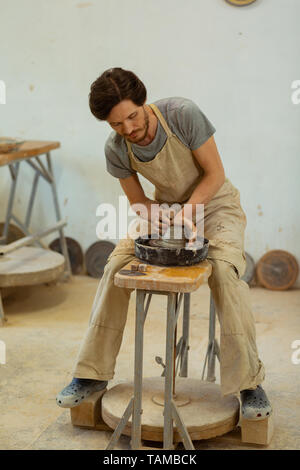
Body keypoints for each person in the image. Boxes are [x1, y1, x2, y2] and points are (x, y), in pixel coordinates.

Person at [56, 67, 272, 420]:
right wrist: (167, 217)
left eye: (132, 117)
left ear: (144, 103)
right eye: (116, 125)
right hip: (169, 212)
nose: (129, 130)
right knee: (115, 267)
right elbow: (139, 203)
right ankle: (90, 375)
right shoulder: (116, 149)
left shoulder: (182, 114)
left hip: (217, 207)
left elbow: (215, 174)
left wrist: (189, 212)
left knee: (224, 272)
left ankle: (249, 384)